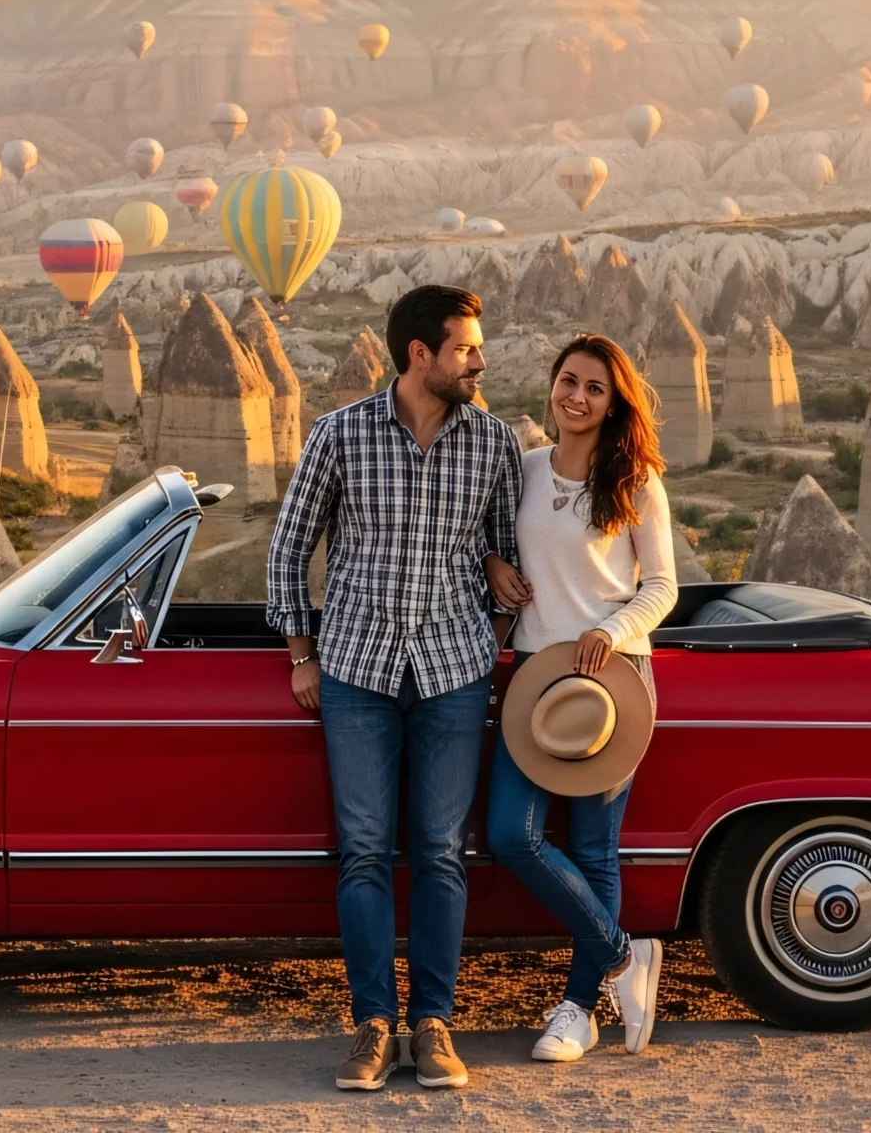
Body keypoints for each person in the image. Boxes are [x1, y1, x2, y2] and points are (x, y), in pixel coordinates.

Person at [266, 284, 526, 1092]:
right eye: (467, 348)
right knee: (365, 854)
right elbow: (289, 550)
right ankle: (373, 1026)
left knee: (443, 855)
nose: (480, 361)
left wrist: (494, 637)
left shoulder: (493, 442)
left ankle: (436, 1025)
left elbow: (513, 555)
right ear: (421, 354)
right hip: (355, 672)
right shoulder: (339, 434)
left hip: (452, 670)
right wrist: (301, 657)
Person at [490, 333, 675, 1061]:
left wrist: (613, 626)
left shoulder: (636, 479)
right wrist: (496, 565)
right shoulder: (526, 468)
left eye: (594, 388)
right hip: (536, 673)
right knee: (512, 833)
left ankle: (576, 1008)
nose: (577, 396)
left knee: (594, 848)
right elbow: (497, 544)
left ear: (613, 401)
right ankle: (625, 957)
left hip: (611, 677)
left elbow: (661, 585)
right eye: (569, 381)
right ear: (552, 385)